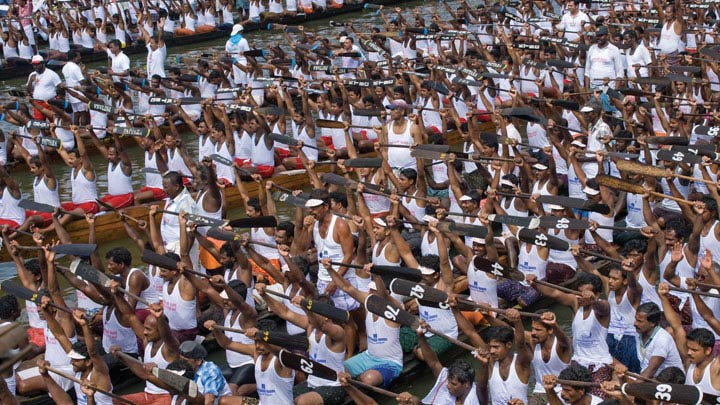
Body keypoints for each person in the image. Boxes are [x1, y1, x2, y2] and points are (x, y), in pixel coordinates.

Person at [26, 55, 62, 120]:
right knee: (39, 123)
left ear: (43, 63)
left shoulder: (51, 74)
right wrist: (31, 81)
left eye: (37, 64)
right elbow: (28, 91)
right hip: (37, 103)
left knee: (54, 121)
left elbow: (60, 87)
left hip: (50, 103)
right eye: (33, 65)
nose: (35, 66)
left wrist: (57, 97)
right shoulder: (32, 75)